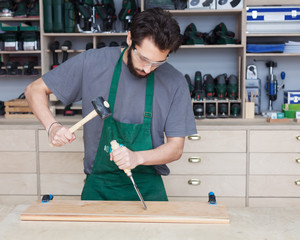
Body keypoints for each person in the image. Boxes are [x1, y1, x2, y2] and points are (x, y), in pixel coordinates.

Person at [25, 7, 197, 201]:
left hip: (148, 187)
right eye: (143, 58)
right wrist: (52, 126)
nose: (148, 69)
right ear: (130, 39)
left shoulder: (174, 82)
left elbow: (176, 148)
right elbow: (34, 90)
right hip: (99, 185)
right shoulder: (92, 63)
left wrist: (137, 158)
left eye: (157, 63)